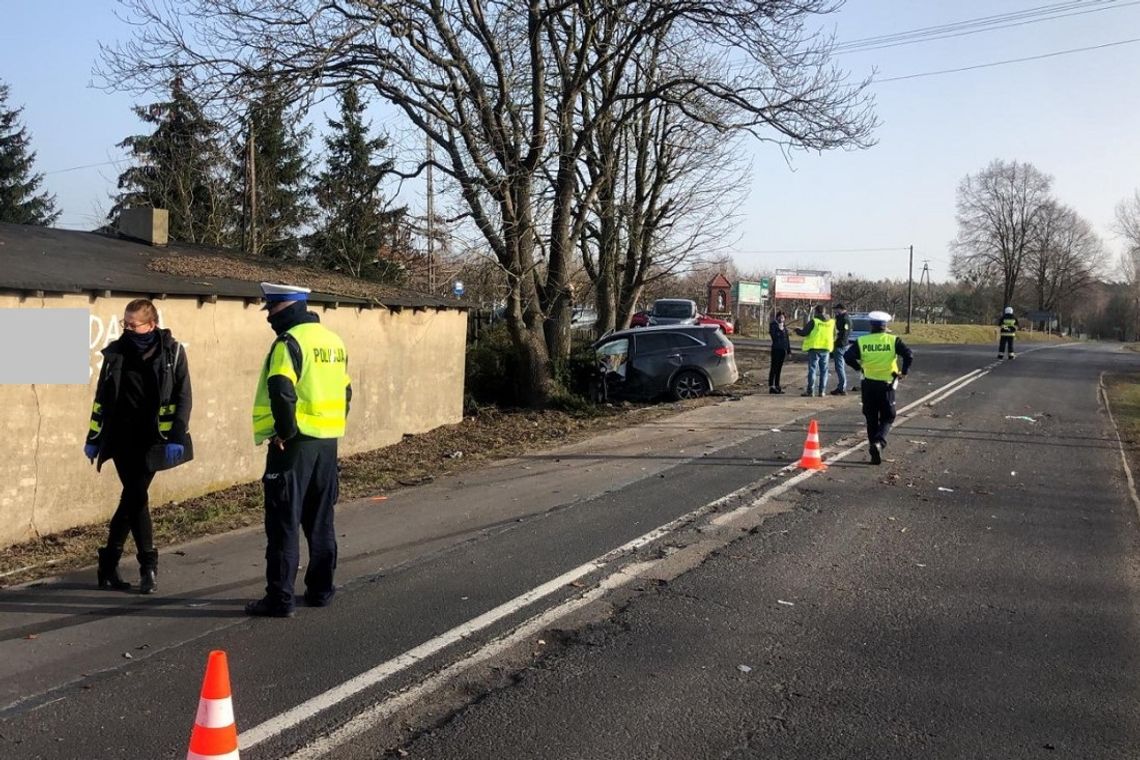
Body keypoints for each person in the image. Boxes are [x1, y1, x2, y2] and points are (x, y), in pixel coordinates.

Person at [246, 283, 352, 618]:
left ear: (286, 308)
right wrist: (330, 425)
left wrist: (286, 432)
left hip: (294, 448)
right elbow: (346, 392)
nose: (268, 319)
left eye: (271, 311)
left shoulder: (288, 342)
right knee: (321, 521)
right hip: (327, 444)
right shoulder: (332, 341)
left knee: (283, 523)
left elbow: (280, 389)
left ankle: (280, 599)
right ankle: (321, 591)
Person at [84, 299, 192, 593]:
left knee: (134, 497)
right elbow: (102, 397)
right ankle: (146, 569)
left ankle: (111, 566)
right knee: (135, 496)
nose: (128, 329)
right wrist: (93, 438)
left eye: (134, 325)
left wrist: (176, 436)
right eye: (125, 324)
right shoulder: (116, 353)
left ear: (151, 324)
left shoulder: (173, 352)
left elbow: (183, 397)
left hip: (154, 439)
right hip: (120, 438)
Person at [844, 310, 913, 465]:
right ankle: (879, 442)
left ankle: (872, 448)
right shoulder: (893, 340)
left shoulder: (862, 341)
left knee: (871, 418)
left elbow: (847, 356)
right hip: (887, 385)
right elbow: (909, 355)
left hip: (868, 384)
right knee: (888, 416)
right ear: (885, 326)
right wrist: (904, 372)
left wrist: (858, 367)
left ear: (871, 326)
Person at [796, 305, 834, 397]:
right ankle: (822, 391)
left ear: (816, 312)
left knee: (813, 370)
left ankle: (810, 391)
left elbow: (804, 332)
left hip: (815, 349)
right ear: (824, 312)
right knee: (824, 371)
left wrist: (797, 330)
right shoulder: (831, 322)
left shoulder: (814, 321)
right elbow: (834, 334)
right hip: (826, 349)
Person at [830, 303, 851, 395]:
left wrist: (838, 342)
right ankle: (841, 386)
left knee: (840, 367)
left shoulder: (845, 319)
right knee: (839, 366)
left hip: (841, 345)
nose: (835, 311)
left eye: (836, 309)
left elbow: (845, 334)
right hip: (840, 344)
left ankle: (842, 387)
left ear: (841, 309)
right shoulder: (840, 318)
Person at [768, 311, 791, 394]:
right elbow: (774, 337)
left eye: (783, 318)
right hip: (776, 349)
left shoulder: (784, 327)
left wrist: (789, 351)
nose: (781, 319)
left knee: (779, 369)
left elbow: (787, 340)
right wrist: (779, 329)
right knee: (774, 368)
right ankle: (771, 386)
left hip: (782, 350)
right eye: (780, 317)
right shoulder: (773, 325)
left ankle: (777, 385)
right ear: (777, 317)